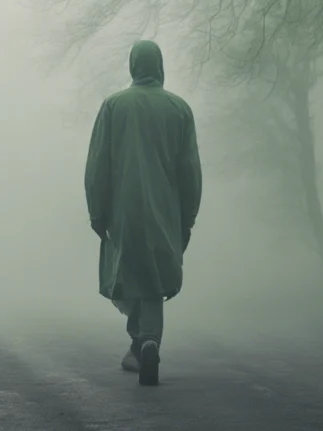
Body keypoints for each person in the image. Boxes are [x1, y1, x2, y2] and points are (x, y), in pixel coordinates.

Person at [84, 40, 203, 386]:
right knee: (152, 276)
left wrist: (97, 211)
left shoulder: (113, 106)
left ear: (133, 65)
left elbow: (98, 165)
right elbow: (189, 170)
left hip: (123, 209)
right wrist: (188, 216)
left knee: (130, 273)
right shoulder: (179, 109)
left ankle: (142, 342)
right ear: (160, 65)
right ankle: (145, 341)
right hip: (166, 210)